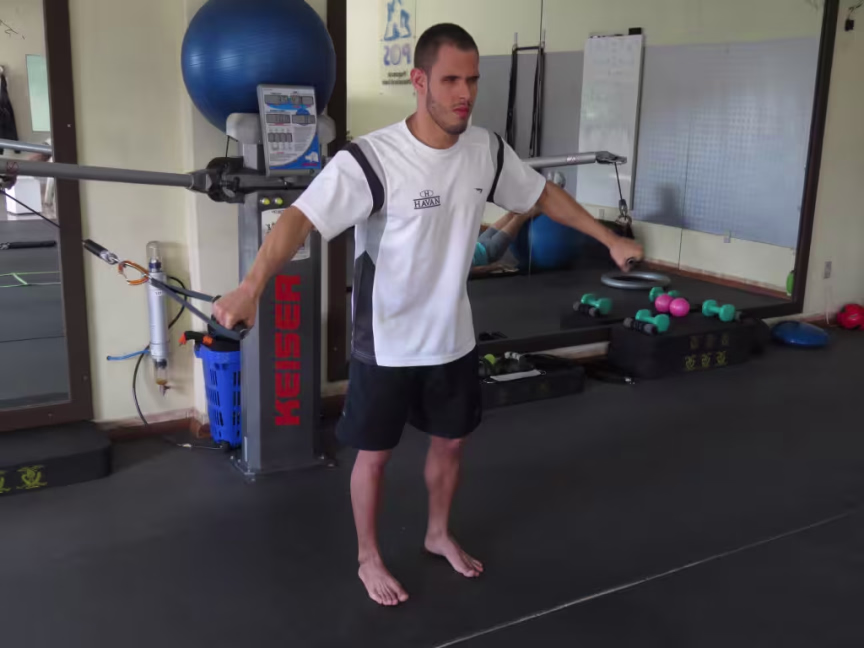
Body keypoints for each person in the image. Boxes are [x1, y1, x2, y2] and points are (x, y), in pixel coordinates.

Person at [214, 23, 643, 607]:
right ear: (419, 81)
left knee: (450, 445)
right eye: (450, 80)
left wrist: (608, 238)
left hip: (451, 336)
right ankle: (368, 556)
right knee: (374, 456)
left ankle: (438, 533)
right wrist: (251, 288)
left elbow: (541, 195)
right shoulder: (372, 159)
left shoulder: (486, 150)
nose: (465, 94)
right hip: (386, 339)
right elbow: (300, 218)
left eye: (472, 80)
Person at [472, 206, 541, 272]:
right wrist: (495, 267)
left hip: (483, 245)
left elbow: (481, 269)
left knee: (514, 216)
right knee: (516, 217)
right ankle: (541, 206)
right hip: (487, 248)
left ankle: (539, 204)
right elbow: (479, 270)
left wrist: (496, 267)